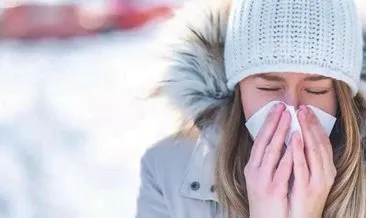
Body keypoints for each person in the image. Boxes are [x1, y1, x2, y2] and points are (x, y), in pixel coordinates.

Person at [136, 0, 366, 217]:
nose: (292, 110)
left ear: (341, 96)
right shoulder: (166, 172)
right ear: (238, 89)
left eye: (317, 90)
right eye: (269, 87)